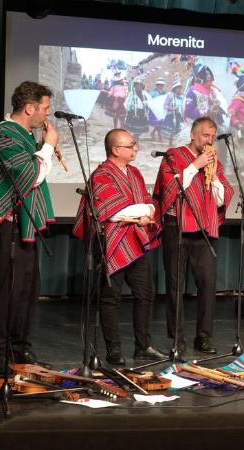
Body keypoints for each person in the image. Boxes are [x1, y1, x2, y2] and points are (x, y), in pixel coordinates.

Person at [0, 81, 58, 374]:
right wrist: (48, 146)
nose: (47, 113)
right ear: (29, 108)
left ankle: (19, 349)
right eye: (45, 108)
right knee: (8, 289)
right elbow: (29, 175)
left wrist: (43, 147)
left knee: (26, 290)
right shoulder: (3, 136)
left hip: (25, 224)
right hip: (7, 224)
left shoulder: (23, 136)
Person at [72, 129, 167, 365]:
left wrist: (147, 211)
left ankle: (143, 346)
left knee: (146, 294)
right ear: (116, 149)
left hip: (135, 240)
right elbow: (113, 212)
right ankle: (113, 350)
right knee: (110, 297)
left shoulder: (134, 172)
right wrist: (144, 210)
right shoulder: (101, 175)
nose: (136, 148)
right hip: (111, 243)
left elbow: (146, 202)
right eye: (131, 145)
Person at [153, 116, 233, 356]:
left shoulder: (214, 163)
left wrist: (214, 175)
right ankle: (177, 339)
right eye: (205, 136)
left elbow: (221, 197)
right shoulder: (173, 156)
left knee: (208, 285)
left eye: (212, 137)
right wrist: (195, 166)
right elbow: (170, 188)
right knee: (176, 285)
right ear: (193, 135)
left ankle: (204, 337)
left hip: (203, 230)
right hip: (176, 227)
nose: (210, 141)